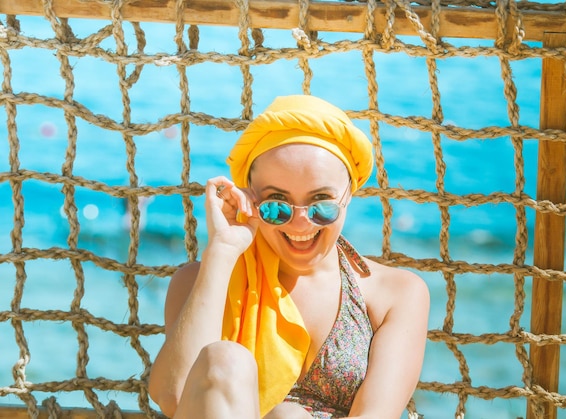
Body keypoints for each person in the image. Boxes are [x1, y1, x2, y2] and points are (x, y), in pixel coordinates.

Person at [148, 95, 430, 419]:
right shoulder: (200, 282)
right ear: (249, 196)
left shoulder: (395, 293)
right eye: (275, 203)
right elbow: (174, 397)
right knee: (225, 360)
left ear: (348, 194)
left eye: (321, 203)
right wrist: (222, 252)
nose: (300, 223)